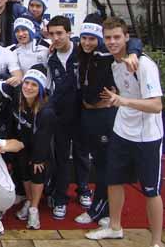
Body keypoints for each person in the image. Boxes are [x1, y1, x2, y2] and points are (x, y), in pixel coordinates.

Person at [86, 17, 163, 247]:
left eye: (117, 37)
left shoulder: (144, 65)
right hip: (121, 131)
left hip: (147, 137)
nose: (112, 42)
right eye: (108, 37)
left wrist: (123, 101)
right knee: (114, 180)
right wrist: (117, 100)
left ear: (127, 37)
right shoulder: (114, 63)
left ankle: (157, 241)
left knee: (151, 190)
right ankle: (115, 227)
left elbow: (157, 105)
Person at [75, 14, 140, 226]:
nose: (87, 42)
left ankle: (100, 210)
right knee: (97, 163)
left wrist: (134, 53)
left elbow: (133, 42)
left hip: (105, 116)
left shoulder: (106, 53)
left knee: (105, 165)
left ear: (99, 39)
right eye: (84, 38)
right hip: (88, 115)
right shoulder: (82, 52)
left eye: (92, 39)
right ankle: (101, 208)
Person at [46, 15, 92, 219]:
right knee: (61, 158)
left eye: (59, 33)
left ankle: (83, 189)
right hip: (61, 117)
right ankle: (60, 198)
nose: (56, 38)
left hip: (83, 114)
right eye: (52, 34)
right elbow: (49, 89)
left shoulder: (84, 51)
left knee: (82, 153)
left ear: (69, 33)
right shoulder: (51, 59)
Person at [13, 65, 56, 230]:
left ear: (41, 89)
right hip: (24, 144)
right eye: (27, 83)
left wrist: (38, 158)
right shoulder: (18, 100)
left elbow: (44, 138)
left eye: (34, 85)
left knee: (37, 171)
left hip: (41, 148)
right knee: (23, 169)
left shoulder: (47, 111)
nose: (28, 87)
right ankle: (29, 200)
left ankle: (34, 208)